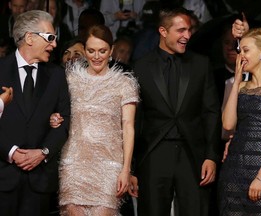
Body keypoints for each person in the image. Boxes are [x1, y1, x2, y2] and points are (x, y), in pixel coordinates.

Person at [133, 7, 221, 216]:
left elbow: (211, 112)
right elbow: (135, 120)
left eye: (189, 30)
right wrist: (132, 168)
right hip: (153, 155)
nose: (187, 36)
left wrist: (211, 156)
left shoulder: (201, 64)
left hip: (193, 156)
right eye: (181, 30)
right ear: (163, 32)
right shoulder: (141, 67)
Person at [56, 24, 139, 215]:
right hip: (74, 162)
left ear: (111, 51)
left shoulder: (123, 83)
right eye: (91, 50)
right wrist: (55, 117)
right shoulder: (71, 79)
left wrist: (126, 169)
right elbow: (59, 111)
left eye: (102, 51)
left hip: (109, 165)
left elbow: (128, 127)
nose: (96, 56)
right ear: (84, 51)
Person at [0, 10, 71, 216]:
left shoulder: (56, 75)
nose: (54, 45)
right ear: (29, 37)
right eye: (50, 38)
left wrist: (44, 152)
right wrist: (11, 152)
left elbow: (65, 119)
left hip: (39, 182)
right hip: (3, 177)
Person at [218, 27, 261, 215]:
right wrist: (236, 81)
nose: (241, 55)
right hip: (235, 168)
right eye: (240, 51)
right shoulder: (239, 86)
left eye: (246, 50)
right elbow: (227, 125)